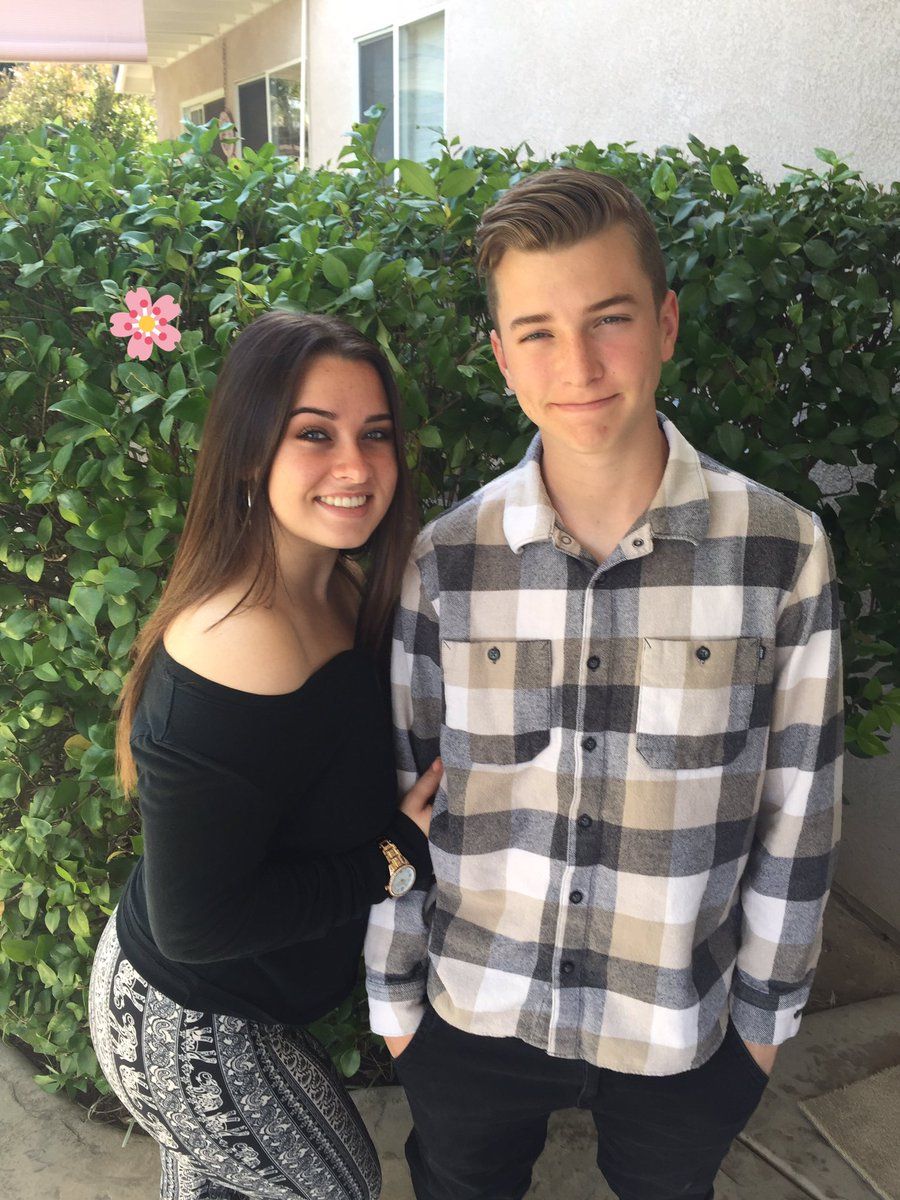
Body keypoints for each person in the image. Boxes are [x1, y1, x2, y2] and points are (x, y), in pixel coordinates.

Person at [365, 168, 843, 1200]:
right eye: (536, 332)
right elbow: (396, 793)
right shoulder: (445, 562)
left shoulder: (781, 551)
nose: (577, 365)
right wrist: (394, 1002)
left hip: (681, 1029)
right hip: (471, 1013)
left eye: (609, 320)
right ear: (502, 357)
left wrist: (762, 1030)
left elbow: (800, 812)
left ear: (665, 323)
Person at [89, 311, 440, 1200]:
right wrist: (394, 858)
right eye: (314, 434)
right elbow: (197, 924)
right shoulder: (240, 639)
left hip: (226, 1006)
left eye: (375, 435)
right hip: (187, 1021)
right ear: (250, 453)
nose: (356, 466)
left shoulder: (337, 584)